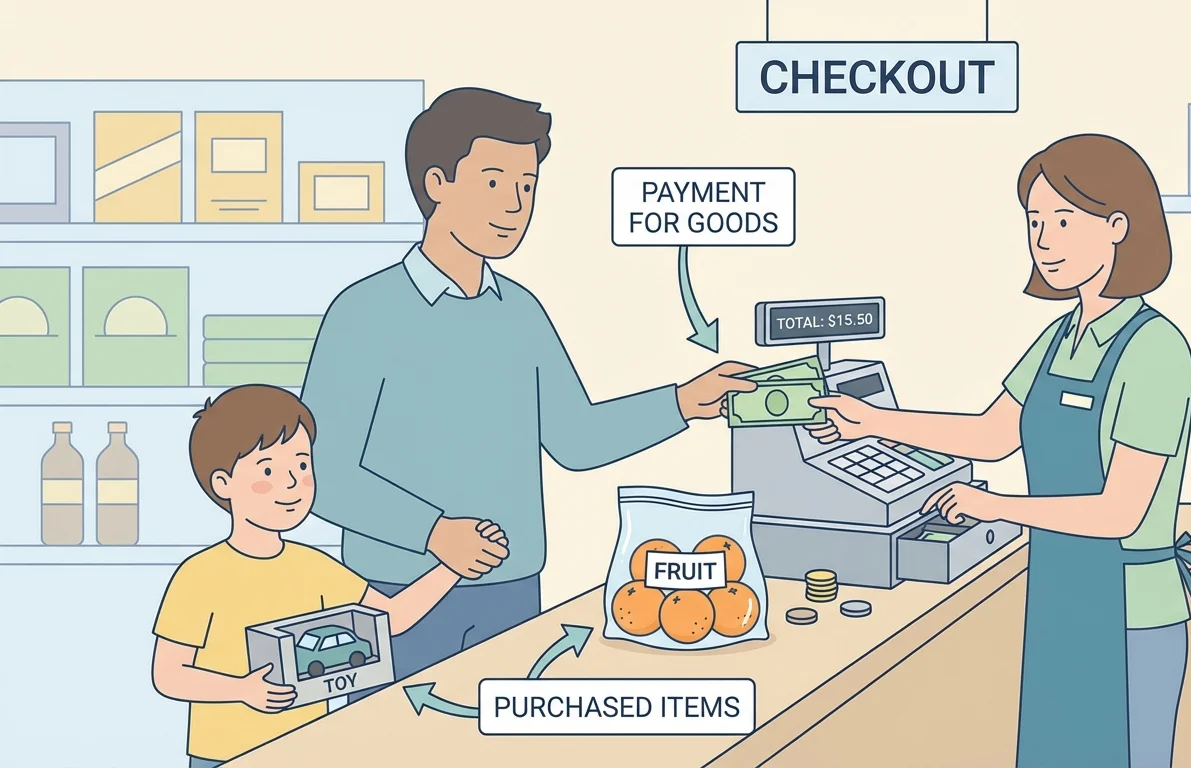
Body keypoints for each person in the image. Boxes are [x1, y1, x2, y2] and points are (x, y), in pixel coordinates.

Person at [301, 87, 755, 699]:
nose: (515, 205)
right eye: (493, 182)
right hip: (392, 594)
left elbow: (575, 437)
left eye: (527, 185)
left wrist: (680, 402)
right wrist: (434, 532)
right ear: (437, 182)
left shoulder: (520, 313)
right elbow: (321, 474)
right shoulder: (363, 314)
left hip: (512, 592)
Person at [807, 134, 1191, 768]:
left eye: (1064, 221)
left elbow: (1119, 513)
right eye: (1035, 221)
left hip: (1131, 614)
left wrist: (996, 506)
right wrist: (872, 422)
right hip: (1060, 595)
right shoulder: (1057, 338)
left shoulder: (1155, 351)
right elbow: (993, 435)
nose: (1044, 240)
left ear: (1118, 227)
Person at [150, 385, 493, 768]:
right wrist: (242, 690)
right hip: (223, 755)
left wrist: (453, 568)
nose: (292, 482)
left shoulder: (315, 568)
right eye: (268, 470)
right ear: (223, 484)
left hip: (307, 750)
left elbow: (391, 619)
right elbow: (168, 675)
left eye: (300, 464)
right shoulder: (200, 576)